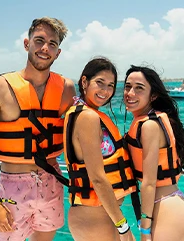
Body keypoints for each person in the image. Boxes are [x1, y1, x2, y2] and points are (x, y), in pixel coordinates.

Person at [0, 17, 76, 241]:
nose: (45, 48)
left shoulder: (66, 89)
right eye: (39, 40)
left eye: (52, 43)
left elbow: (76, 135)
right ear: (27, 44)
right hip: (12, 186)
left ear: (58, 53)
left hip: (52, 181)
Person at [63, 57, 138, 241]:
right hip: (94, 217)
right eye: (100, 83)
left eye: (111, 85)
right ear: (84, 81)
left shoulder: (80, 112)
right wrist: (123, 226)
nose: (105, 91)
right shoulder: (87, 117)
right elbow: (97, 178)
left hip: (98, 215)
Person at [123, 65, 184, 241]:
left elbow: (149, 182)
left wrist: (144, 230)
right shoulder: (147, 120)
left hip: (168, 209)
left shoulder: (149, 125)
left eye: (139, 88)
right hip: (168, 205)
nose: (130, 93)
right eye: (127, 87)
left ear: (153, 95)